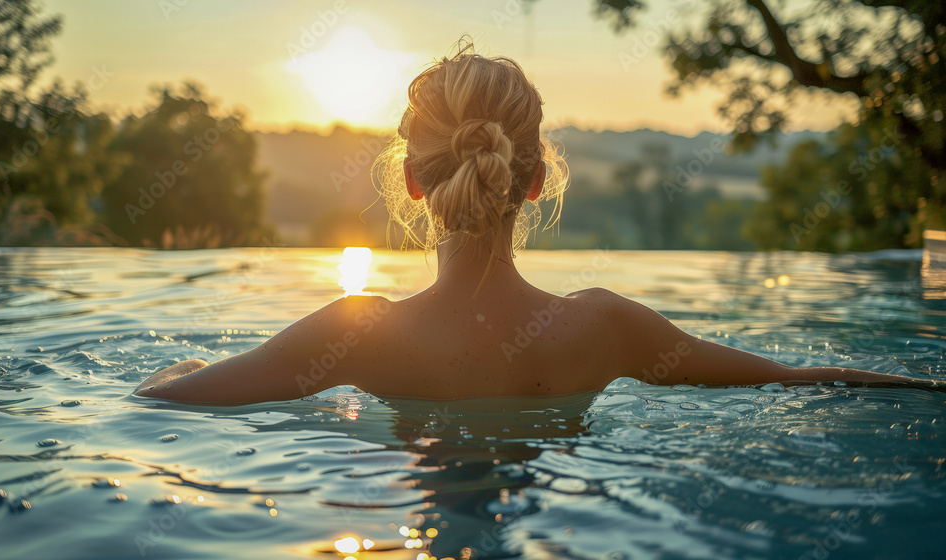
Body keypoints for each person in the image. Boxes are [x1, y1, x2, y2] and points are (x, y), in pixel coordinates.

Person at [134, 44, 921, 404]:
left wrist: (167, 368)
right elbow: (792, 380)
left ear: (410, 180)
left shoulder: (360, 333)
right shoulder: (606, 327)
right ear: (536, 177)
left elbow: (165, 399)